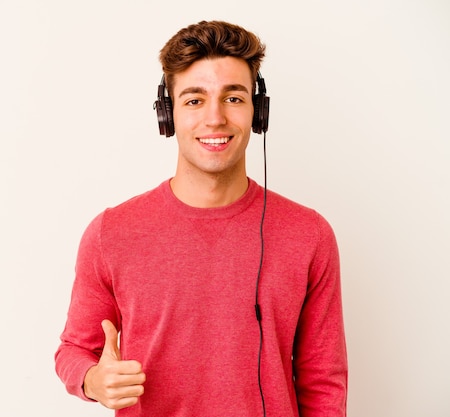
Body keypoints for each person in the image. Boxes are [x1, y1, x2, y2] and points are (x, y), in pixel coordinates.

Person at [54, 20, 347, 417]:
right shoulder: (111, 232)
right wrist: (92, 379)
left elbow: (323, 381)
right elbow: (74, 350)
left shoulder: (309, 234)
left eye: (233, 98)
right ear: (168, 115)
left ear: (258, 112)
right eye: (194, 100)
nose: (215, 119)